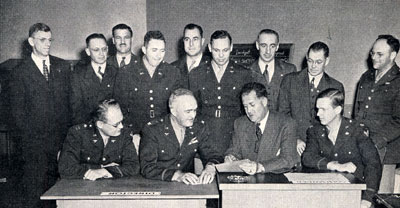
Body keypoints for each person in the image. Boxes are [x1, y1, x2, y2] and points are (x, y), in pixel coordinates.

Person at [9, 23, 71, 208]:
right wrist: (31, 142)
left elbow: (69, 104)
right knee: (36, 193)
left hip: (61, 143)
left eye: (49, 40)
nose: (47, 44)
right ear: (31, 42)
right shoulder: (19, 72)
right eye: (42, 40)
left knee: (60, 191)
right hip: (33, 146)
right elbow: (17, 114)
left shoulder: (62, 66)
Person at [303, 88, 381, 208]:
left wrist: (367, 198)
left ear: (338, 110)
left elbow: (373, 164)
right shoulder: (315, 131)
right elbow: (308, 158)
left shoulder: (356, 130)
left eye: (323, 109)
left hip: (354, 191)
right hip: (326, 192)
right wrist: (334, 165)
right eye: (318, 109)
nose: (318, 114)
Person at [189, 30, 253, 155]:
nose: (221, 55)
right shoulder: (197, 74)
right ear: (209, 48)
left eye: (225, 50)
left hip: (233, 134)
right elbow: (192, 109)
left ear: (231, 48)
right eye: (217, 50)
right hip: (204, 134)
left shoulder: (243, 73)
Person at [140, 88, 223, 184]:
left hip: (187, 184)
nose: (193, 115)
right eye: (188, 111)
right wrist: (177, 175)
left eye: (195, 110)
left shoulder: (199, 127)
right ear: (173, 111)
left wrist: (210, 168)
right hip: (159, 183)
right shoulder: (153, 129)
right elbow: (147, 167)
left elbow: (214, 155)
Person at [278, 41, 344, 156]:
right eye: (310, 61)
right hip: (294, 145)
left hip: (322, 149)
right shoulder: (290, 80)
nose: (313, 66)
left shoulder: (336, 86)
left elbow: (336, 122)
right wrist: (295, 139)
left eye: (318, 62)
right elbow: (283, 115)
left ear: (327, 61)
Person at [113, 31, 184, 135]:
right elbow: (120, 107)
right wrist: (129, 134)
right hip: (137, 131)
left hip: (165, 131)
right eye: (154, 50)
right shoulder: (127, 72)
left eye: (162, 51)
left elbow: (178, 106)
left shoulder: (172, 72)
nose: (158, 55)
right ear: (144, 50)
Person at [225, 82, 298, 174]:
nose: (249, 111)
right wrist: (230, 157)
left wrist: (259, 167)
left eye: (252, 105)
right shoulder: (240, 123)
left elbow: (288, 159)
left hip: (275, 179)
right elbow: (234, 150)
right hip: (248, 182)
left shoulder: (286, 123)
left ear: (264, 102)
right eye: (245, 107)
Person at [59, 99, 140, 180]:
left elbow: (133, 166)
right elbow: (66, 168)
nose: (121, 126)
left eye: (122, 121)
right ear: (100, 124)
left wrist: (105, 172)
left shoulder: (124, 133)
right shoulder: (78, 134)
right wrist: (101, 168)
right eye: (116, 125)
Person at [353, 34, 400, 165]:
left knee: (381, 186)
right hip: (360, 145)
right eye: (372, 53)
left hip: (385, 150)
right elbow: (357, 112)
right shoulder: (366, 77)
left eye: (380, 54)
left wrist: (376, 141)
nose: (374, 57)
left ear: (392, 55)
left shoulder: (398, 81)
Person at [70, 33, 117, 125]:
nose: (101, 53)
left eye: (104, 49)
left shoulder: (117, 72)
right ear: (88, 52)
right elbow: (76, 109)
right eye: (96, 50)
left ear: (107, 49)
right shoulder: (78, 75)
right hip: (89, 128)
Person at [249, 29, 296, 111]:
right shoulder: (247, 71)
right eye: (263, 46)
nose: (268, 51)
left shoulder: (289, 70)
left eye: (272, 46)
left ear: (277, 46)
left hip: (283, 122)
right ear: (257, 45)